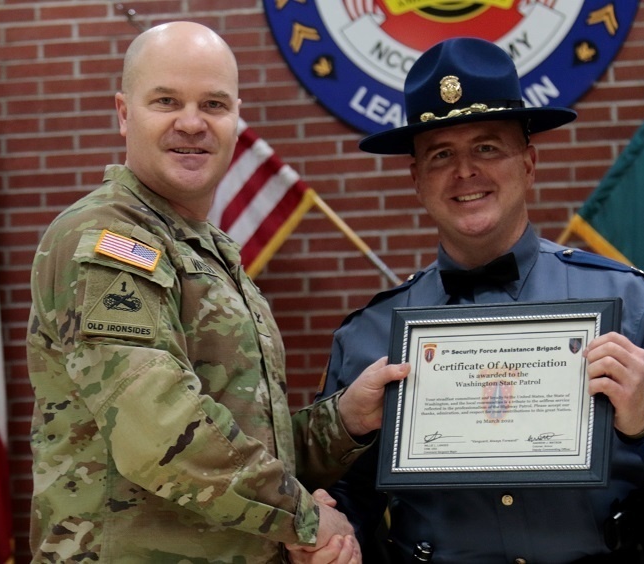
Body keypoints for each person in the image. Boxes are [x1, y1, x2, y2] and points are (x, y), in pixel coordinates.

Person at [319, 37, 644, 563]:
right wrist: (333, 530)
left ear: (528, 164)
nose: (465, 172)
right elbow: (346, 498)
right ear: (416, 179)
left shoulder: (630, 300)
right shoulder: (369, 333)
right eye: (441, 155)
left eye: (487, 147)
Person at [26, 21, 408, 564]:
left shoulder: (203, 248)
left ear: (235, 118)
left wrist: (344, 420)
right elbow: (159, 433)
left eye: (213, 104)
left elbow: (246, 434)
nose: (191, 123)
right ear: (123, 113)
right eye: (166, 101)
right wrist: (305, 518)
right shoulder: (111, 241)